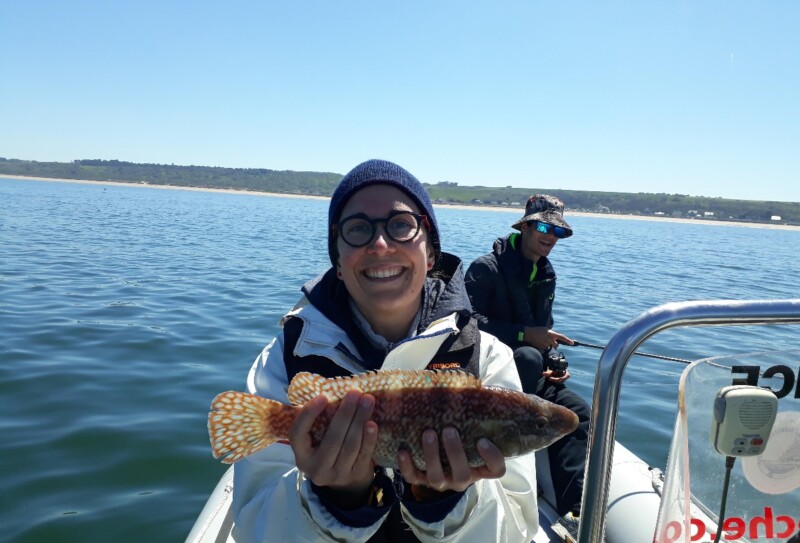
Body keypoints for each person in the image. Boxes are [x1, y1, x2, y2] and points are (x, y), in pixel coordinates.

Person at [231, 159, 539, 542]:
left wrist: (448, 502)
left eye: (401, 225)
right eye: (358, 229)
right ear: (338, 262)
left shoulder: (487, 359)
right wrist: (335, 499)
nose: (380, 245)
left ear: (431, 254)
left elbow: (519, 531)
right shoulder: (286, 357)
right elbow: (252, 526)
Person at [464, 194, 590, 526]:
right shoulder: (485, 268)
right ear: (527, 225)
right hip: (490, 383)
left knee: (580, 415)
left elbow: (542, 330)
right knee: (527, 354)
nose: (551, 236)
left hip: (532, 377)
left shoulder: (546, 275)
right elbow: (466, 323)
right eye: (545, 227)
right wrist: (523, 335)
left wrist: (555, 360)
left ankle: (575, 508)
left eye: (558, 232)